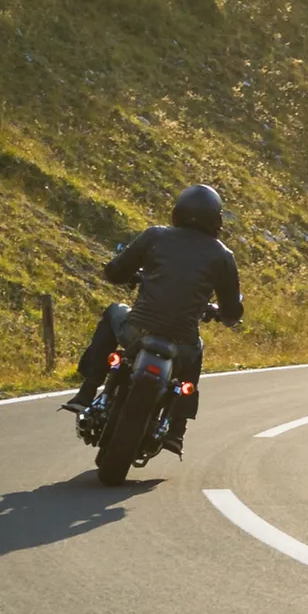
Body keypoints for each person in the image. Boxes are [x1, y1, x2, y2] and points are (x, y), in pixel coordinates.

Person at [65, 184, 244, 456]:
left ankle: (88, 390)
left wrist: (132, 275)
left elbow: (114, 272)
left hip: (138, 330)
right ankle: (177, 431)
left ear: (177, 213)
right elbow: (232, 313)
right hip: (182, 342)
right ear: (217, 220)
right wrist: (221, 313)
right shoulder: (223, 256)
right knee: (195, 356)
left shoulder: (155, 236)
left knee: (114, 310)